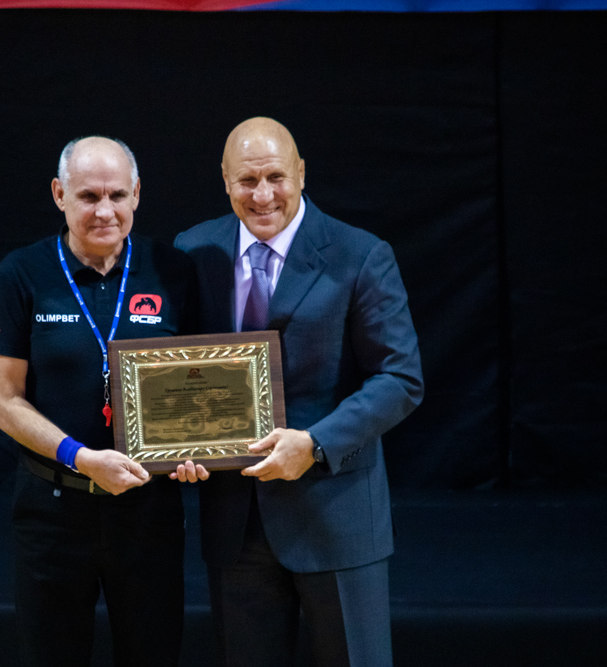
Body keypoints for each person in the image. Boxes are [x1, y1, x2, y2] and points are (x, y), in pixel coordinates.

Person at [173, 117, 424, 667]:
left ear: (302, 173)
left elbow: (401, 378)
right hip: (235, 525)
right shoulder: (192, 251)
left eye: (276, 177)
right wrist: (176, 444)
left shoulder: (359, 254)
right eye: (247, 181)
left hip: (335, 515)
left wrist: (313, 444)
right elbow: (177, 371)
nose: (262, 195)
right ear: (225, 181)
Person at [0, 135, 198, 666]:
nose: (105, 211)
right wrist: (81, 457)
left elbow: (202, 381)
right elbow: (1, 402)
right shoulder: (21, 273)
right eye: (88, 196)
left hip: (149, 513)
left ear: (137, 194)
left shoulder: (173, 270)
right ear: (59, 194)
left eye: (117, 195)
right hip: (53, 511)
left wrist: (197, 449)